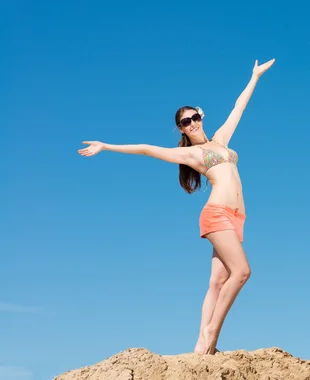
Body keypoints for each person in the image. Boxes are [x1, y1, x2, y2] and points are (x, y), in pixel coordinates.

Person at [78, 58, 276, 354]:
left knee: (218, 280)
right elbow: (147, 149)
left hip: (237, 217)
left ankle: (201, 347)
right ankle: (211, 335)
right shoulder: (192, 155)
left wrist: (255, 77)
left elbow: (239, 108)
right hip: (217, 213)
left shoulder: (221, 140)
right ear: (181, 129)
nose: (193, 123)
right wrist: (106, 146)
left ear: (201, 117)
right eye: (186, 122)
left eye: (195, 117)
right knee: (242, 272)